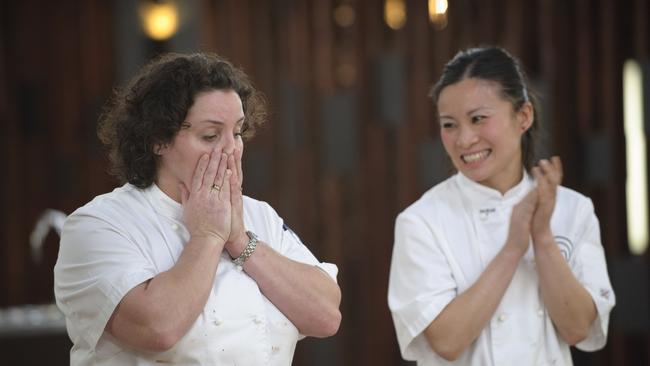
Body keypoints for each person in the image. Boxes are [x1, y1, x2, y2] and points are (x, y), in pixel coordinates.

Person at [54, 52, 342, 365]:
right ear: (158, 140)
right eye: (210, 135)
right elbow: (156, 328)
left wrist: (240, 241)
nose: (231, 149)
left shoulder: (260, 216)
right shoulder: (99, 225)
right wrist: (207, 236)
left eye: (237, 133)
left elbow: (326, 316)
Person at [387, 46, 615, 365]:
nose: (464, 139)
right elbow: (446, 341)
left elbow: (578, 328)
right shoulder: (421, 221)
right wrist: (512, 249)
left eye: (478, 119)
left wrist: (543, 238)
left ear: (523, 116)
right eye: (449, 124)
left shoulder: (572, 210)